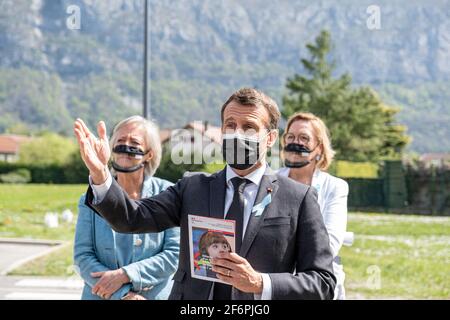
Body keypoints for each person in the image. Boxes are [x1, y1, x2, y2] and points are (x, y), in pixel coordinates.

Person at [74, 87, 336, 300]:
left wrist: (259, 283)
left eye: (249, 127)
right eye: (230, 125)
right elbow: (130, 218)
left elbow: (322, 282)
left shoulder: (298, 199)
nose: (237, 133)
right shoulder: (192, 187)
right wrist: (100, 175)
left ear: (269, 138)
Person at [74, 116, 180, 300]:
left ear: (149, 154)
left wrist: (126, 274)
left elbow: (175, 254)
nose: (126, 146)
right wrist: (124, 295)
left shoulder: (168, 193)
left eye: (134, 142)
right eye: (120, 140)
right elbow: (83, 256)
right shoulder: (91, 198)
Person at [278, 112, 349, 300]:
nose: (295, 143)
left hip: (317, 283)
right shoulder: (269, 181)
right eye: (290, 137)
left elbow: (330, 243)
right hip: (276, 283)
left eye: (304, 138)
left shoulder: (335, 187)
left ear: (318, 148)